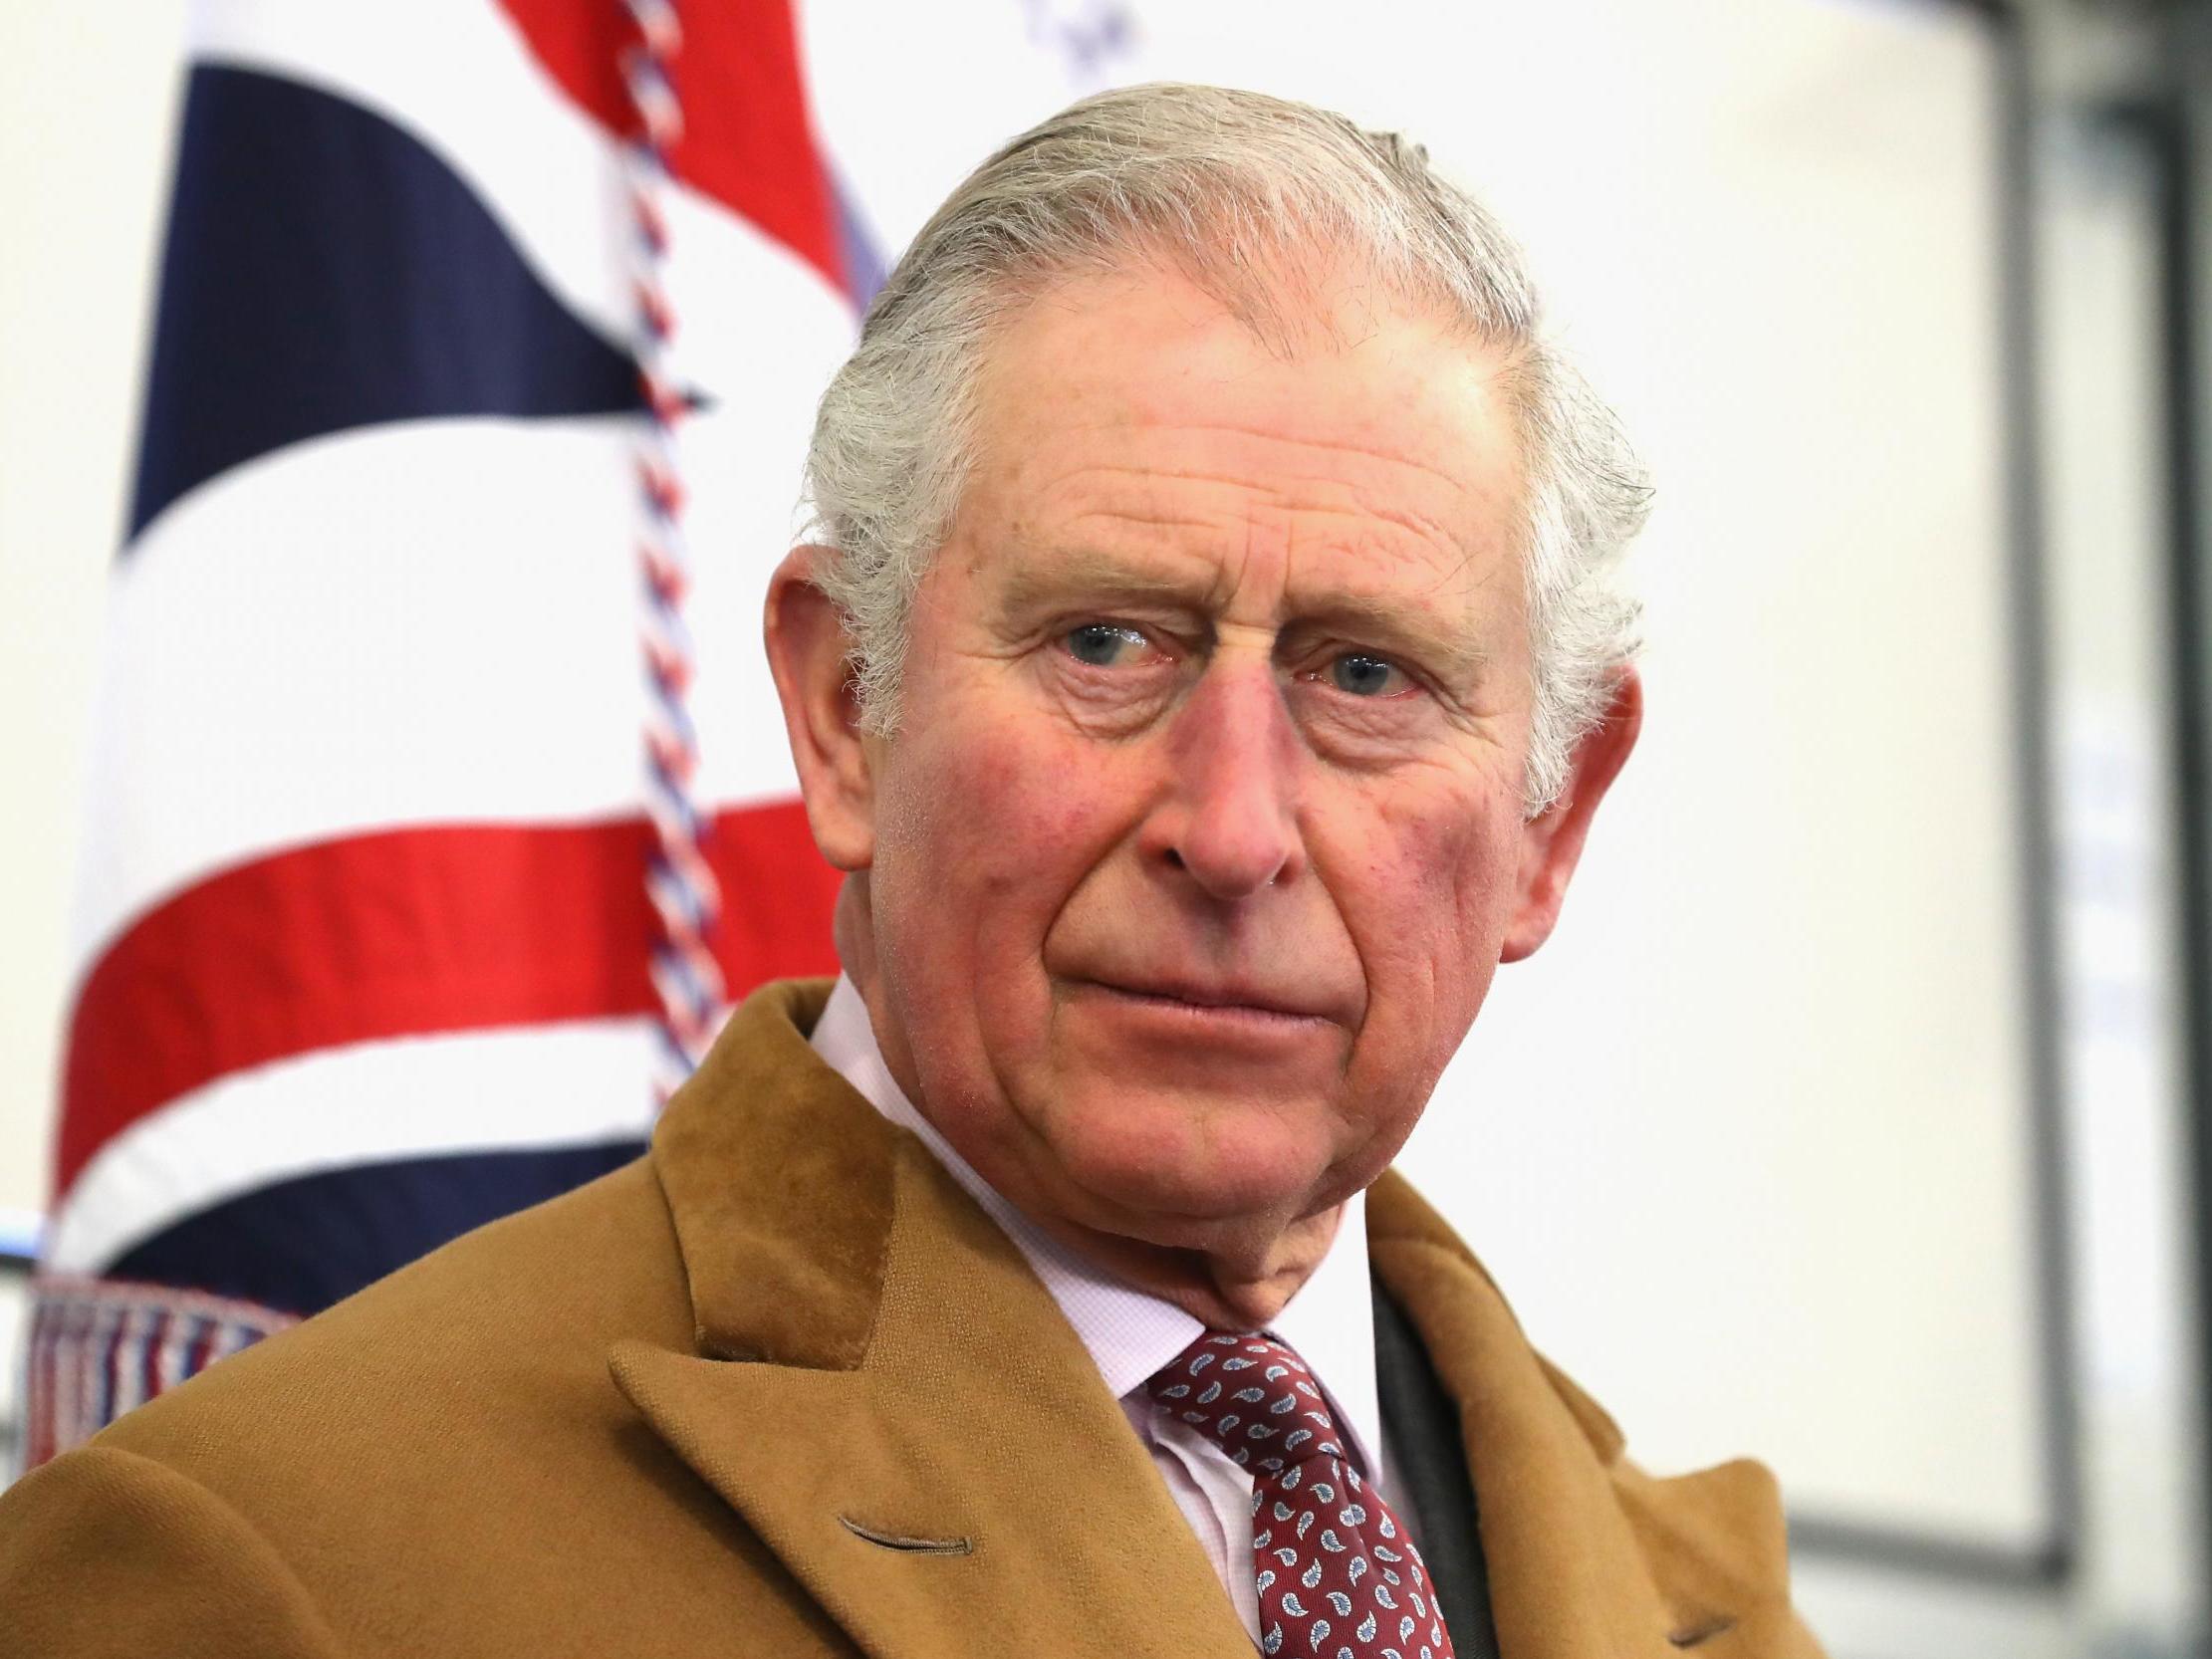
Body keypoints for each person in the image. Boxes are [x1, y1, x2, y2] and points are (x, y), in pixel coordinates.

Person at [0, 83, 1824, 1659]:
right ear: (843, 711)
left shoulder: (1711, 1606)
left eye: (1365, 677)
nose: (1233, 828)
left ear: (1549, 819)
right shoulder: (281, 1563)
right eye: (1108, 643)